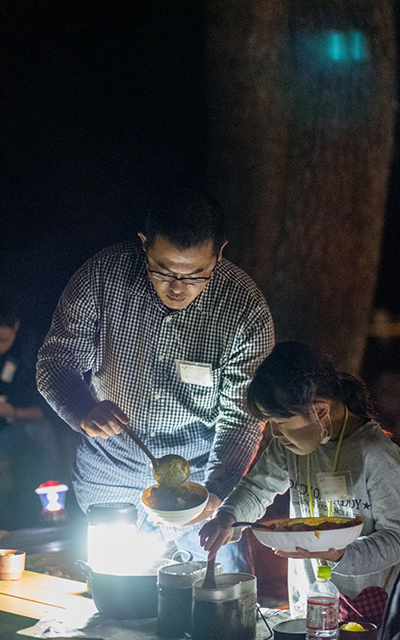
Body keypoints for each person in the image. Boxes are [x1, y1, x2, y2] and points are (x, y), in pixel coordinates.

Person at [36, 187, 274, 569]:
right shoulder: (101, 277)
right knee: (115, 594)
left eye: (197, 275)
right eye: (164, 271)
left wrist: (215, 493)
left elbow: (242, 417)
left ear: (220, 252)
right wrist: (83, 409)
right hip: (110, 473)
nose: (178, 288)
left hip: (200, 478)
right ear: (144, 245)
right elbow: (56, 362)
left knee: (202, 598)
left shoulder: (245, 308)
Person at [199, 341, 400, 616]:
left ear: (319, 411)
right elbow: (258, 487)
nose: (275, 433)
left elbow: (396, 538)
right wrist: (228, 516)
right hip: (309, 600)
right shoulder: (291, 446)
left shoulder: (376, 456)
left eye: (280, 423)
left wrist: (341, 554)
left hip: (368, 607)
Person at [0, 292, 58, 528]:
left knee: (42, 474)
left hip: (34, 427)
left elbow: (48, 409)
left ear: (15, 326)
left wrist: (11, 411)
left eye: (3, 339)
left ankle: (49, 522)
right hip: (6, 432)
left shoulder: (33, 351)